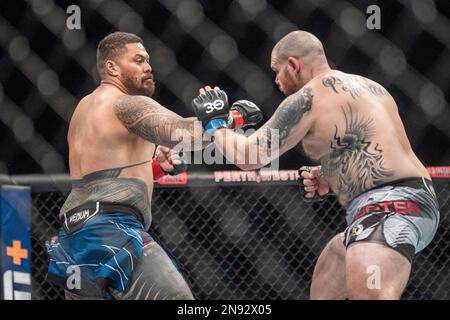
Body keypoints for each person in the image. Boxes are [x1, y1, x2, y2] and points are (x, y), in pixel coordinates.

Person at [191, 30, 440, 299]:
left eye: (277, 71)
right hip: (408, 200)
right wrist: (331, 174)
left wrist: (215, 123)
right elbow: (376, 148)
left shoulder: (308, 98)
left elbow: (251, 156)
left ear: (294, 65)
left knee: (371, 294)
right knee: (331, 267)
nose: (276, 81)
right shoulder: (370, 86)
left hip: (390, 206)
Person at [45, 31, 263, 300]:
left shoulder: (84, 108)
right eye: (138, 60)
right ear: (111, 67)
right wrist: (232, 118)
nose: (148, 66)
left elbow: (102, 171)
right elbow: (184, 133)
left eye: (148, 60)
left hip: (74, 240)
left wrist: (155, 169)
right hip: (111, 229)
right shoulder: (125, 103)